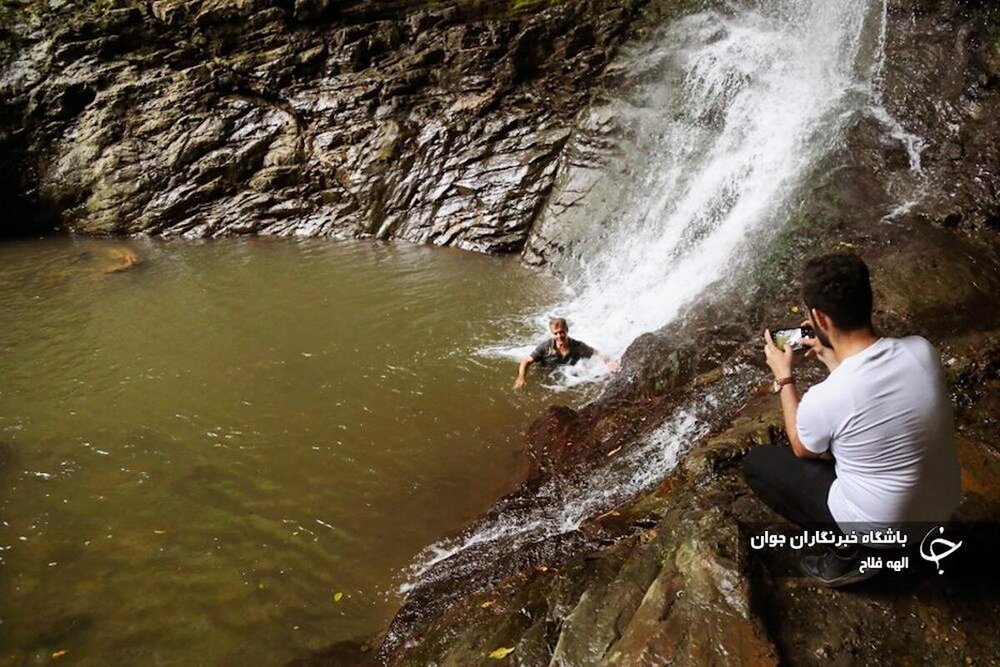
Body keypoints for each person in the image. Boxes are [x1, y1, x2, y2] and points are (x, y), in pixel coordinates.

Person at [743, 253, 961, 587]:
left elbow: (802, 447)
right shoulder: (921, 351)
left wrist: (785, 379)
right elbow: (872, 395)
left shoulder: (826, 397)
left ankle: (854, 554)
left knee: (759, 463)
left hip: (885, 532)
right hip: (941, 513)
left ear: (819, 318)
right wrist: (833, 359)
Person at [513, 317, 620, 389]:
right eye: (556, 333)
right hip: (546, 375)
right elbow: (526, 360)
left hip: (567, 378)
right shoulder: (546, 347)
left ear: (567, 330)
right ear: (552, 334)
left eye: (561, 332)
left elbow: (597, 352)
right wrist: (521, 377)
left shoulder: (578, 346)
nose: (559, 336)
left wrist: (608, 362)